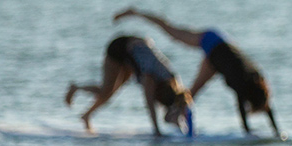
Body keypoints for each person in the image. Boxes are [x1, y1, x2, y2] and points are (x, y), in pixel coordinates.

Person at [114, 8, 279, 136]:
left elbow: (266, 106)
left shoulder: (257, 84)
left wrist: (276, 131)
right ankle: (135, 13)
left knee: (191, 95)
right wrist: (247, 132)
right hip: (213, 42)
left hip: (219, 59)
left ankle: (177, 118)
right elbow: (241, 106)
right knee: (172, 32)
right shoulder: (244, 84)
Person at [64, 35, 191, 136]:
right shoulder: (150, 80)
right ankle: (75, 88)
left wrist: (185, 125)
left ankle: (86, 116)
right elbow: (150, 105)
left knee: (111, 93)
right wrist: (156, 130)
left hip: (137, 48)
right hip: (120, 48)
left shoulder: (173, 81)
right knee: (106, 91)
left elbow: (182, 102)